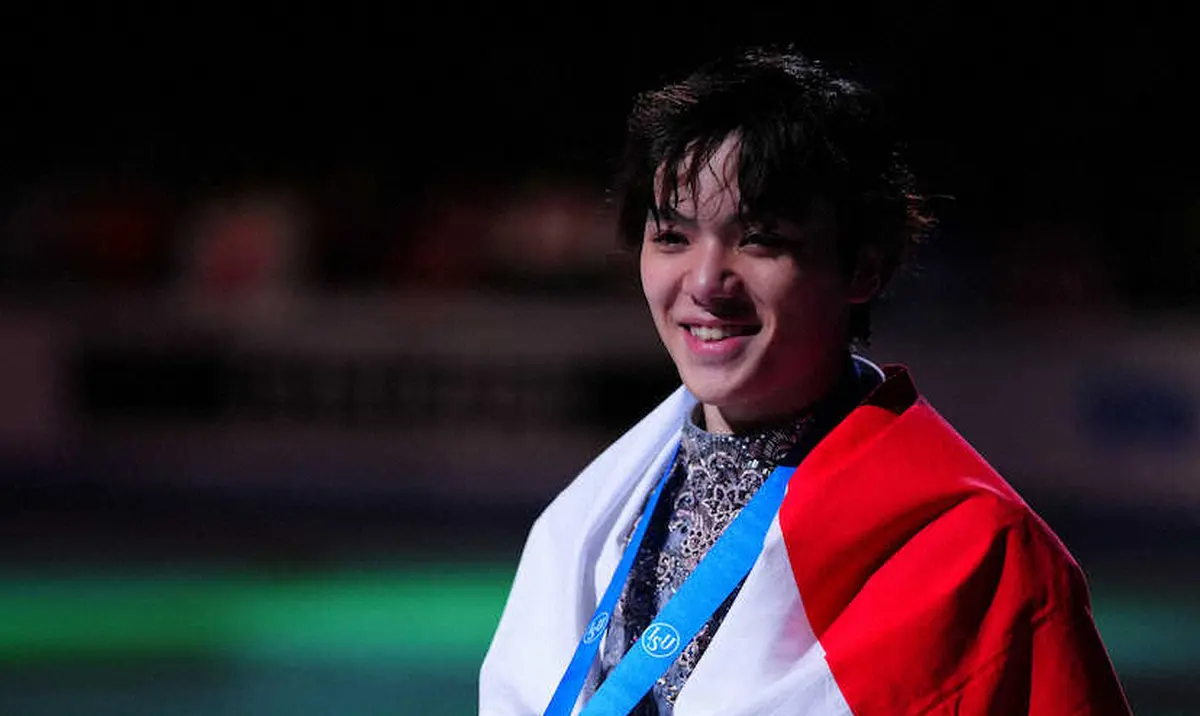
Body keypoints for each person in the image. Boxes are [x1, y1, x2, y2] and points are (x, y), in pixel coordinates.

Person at [480, 48, 1132, 716]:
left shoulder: (976, 551)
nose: (704, 282)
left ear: (863, 268)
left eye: (760, 240)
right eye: (673, 237)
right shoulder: (585, 526)